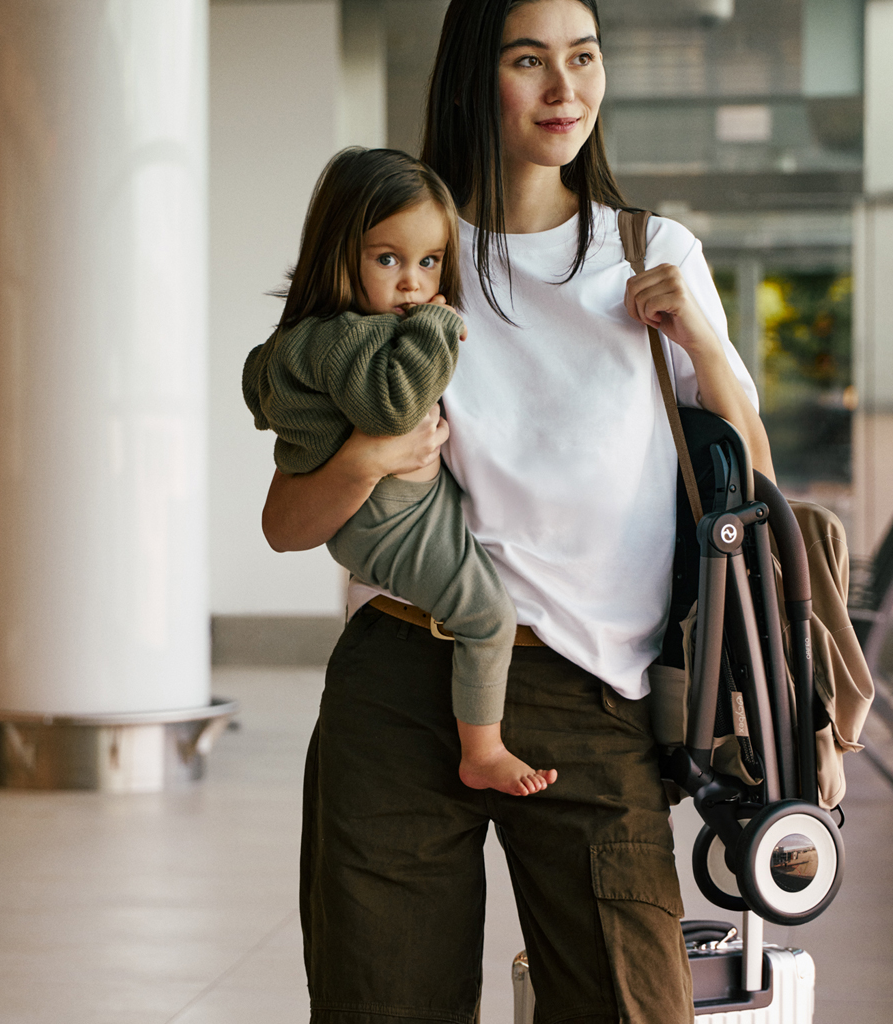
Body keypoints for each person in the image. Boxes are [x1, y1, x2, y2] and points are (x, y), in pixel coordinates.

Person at [264, 1, 776, 1021]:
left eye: (582, 58)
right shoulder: (404, 251)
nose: (564, 88)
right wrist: (368, 453)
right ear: (472, 78)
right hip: (403, 682)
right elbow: (286, 519)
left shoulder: (650, 250)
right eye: (529, 60)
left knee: (632, 1002)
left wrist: (704, 347)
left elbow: (751, 483)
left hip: (593, 692)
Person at [244, 147, 556, 796]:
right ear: (339, 254)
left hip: (388, 511)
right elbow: (396, 407)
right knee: (487, 616)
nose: (413, 282)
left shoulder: (309, 336)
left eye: (430, 262)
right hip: (390, 518)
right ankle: (484, 751)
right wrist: (438, 327)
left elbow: (258, 383)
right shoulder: (352, 337)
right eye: (388, 259)